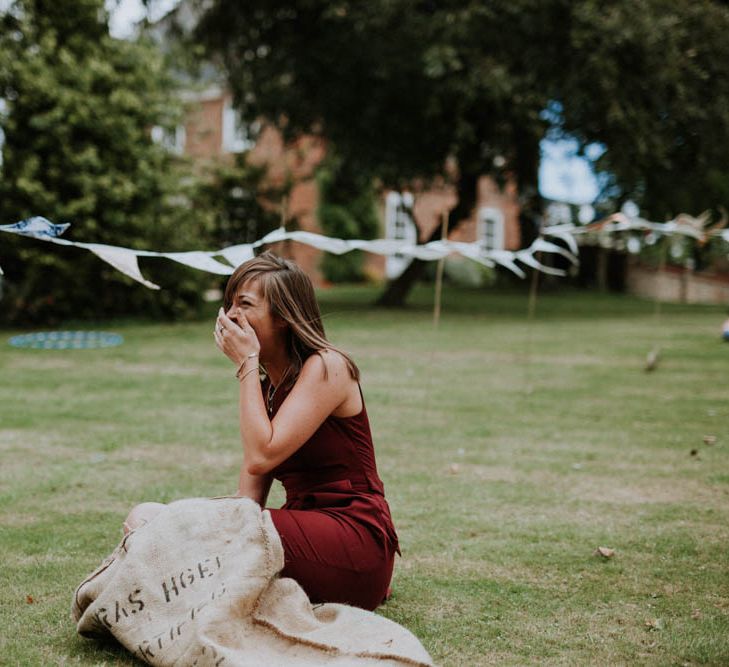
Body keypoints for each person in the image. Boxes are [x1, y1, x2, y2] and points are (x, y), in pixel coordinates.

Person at [124, 252, 399, 611]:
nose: (231, 315)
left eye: (245, 304)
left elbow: (261, 455)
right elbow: (246, 503)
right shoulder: (269, 387)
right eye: (229, 303)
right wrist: (184, 520)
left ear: (283, 317)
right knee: (145, 517)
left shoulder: (328, 367)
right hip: (296, 532)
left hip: (353, 536)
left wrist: (246, 365)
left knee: (200, 534)